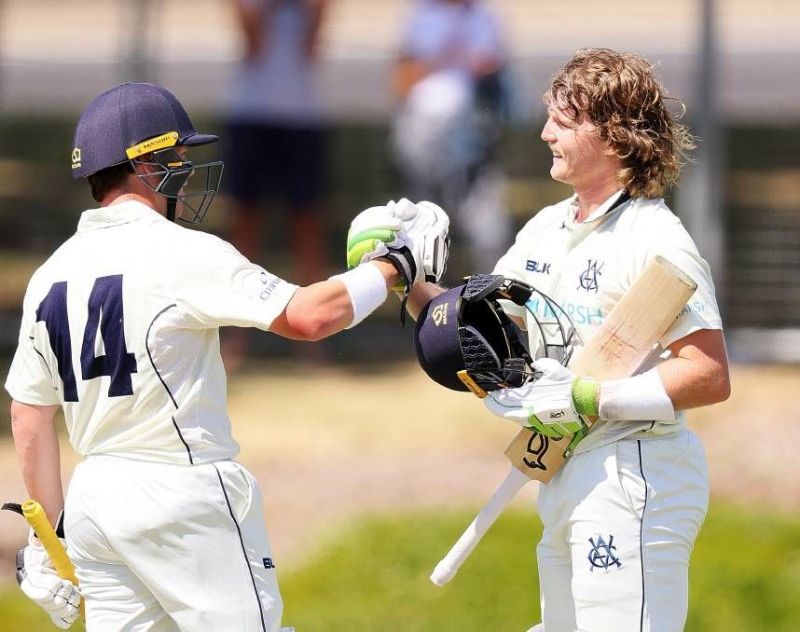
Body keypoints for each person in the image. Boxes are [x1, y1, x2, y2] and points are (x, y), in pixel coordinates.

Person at [5, 82, 448, 631]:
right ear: (146, 166)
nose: (187, 178)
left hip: (96, 500)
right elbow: (309, 315)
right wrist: (394, 267)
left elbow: (29, 417)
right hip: (182, 494)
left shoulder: (49, 275)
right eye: (180, 165)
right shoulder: (180, 252)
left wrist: (50, 539)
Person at [356, 48, 731, 631]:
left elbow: (709, 374)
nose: (544, 132)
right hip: (562, 473)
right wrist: (401, 271)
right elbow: (481, 331)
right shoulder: (546, 228)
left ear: (613, 135)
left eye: (563, 120)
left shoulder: (655, 239)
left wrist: (589, 398)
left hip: (634, 472)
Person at [221, 0, 331, 367]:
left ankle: (314, 341)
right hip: (251, 113)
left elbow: (310, 47)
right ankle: (237, 336)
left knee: (306, 224)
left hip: (302, 117)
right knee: (246, 226)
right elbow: (254, 43)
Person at [390, 0, 514, 275]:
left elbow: (494, 69)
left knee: (486, 225)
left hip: (472, 134)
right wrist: (442, 56)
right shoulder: (420, 14)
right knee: (420, 221)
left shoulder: (483, 14)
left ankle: (492, 299)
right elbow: (401, 79)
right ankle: (424, 296)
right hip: (423, 133)